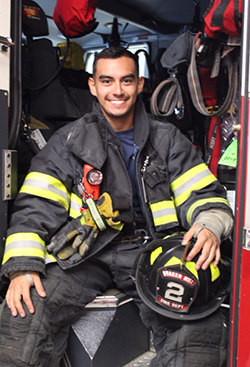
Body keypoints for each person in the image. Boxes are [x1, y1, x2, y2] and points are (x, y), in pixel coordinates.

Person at [0, 47, 233, 367]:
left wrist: (208, 227)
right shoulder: (66, 142)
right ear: (93, 85)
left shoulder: (167, 140)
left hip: (152, 251)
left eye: (126, 81)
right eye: (107, 81)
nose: (117, 90)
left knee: (199, 329)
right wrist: (23, 267)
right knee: (24, 313)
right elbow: (35, 207)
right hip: (85, 254)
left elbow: (204, 195)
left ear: (139, 84)